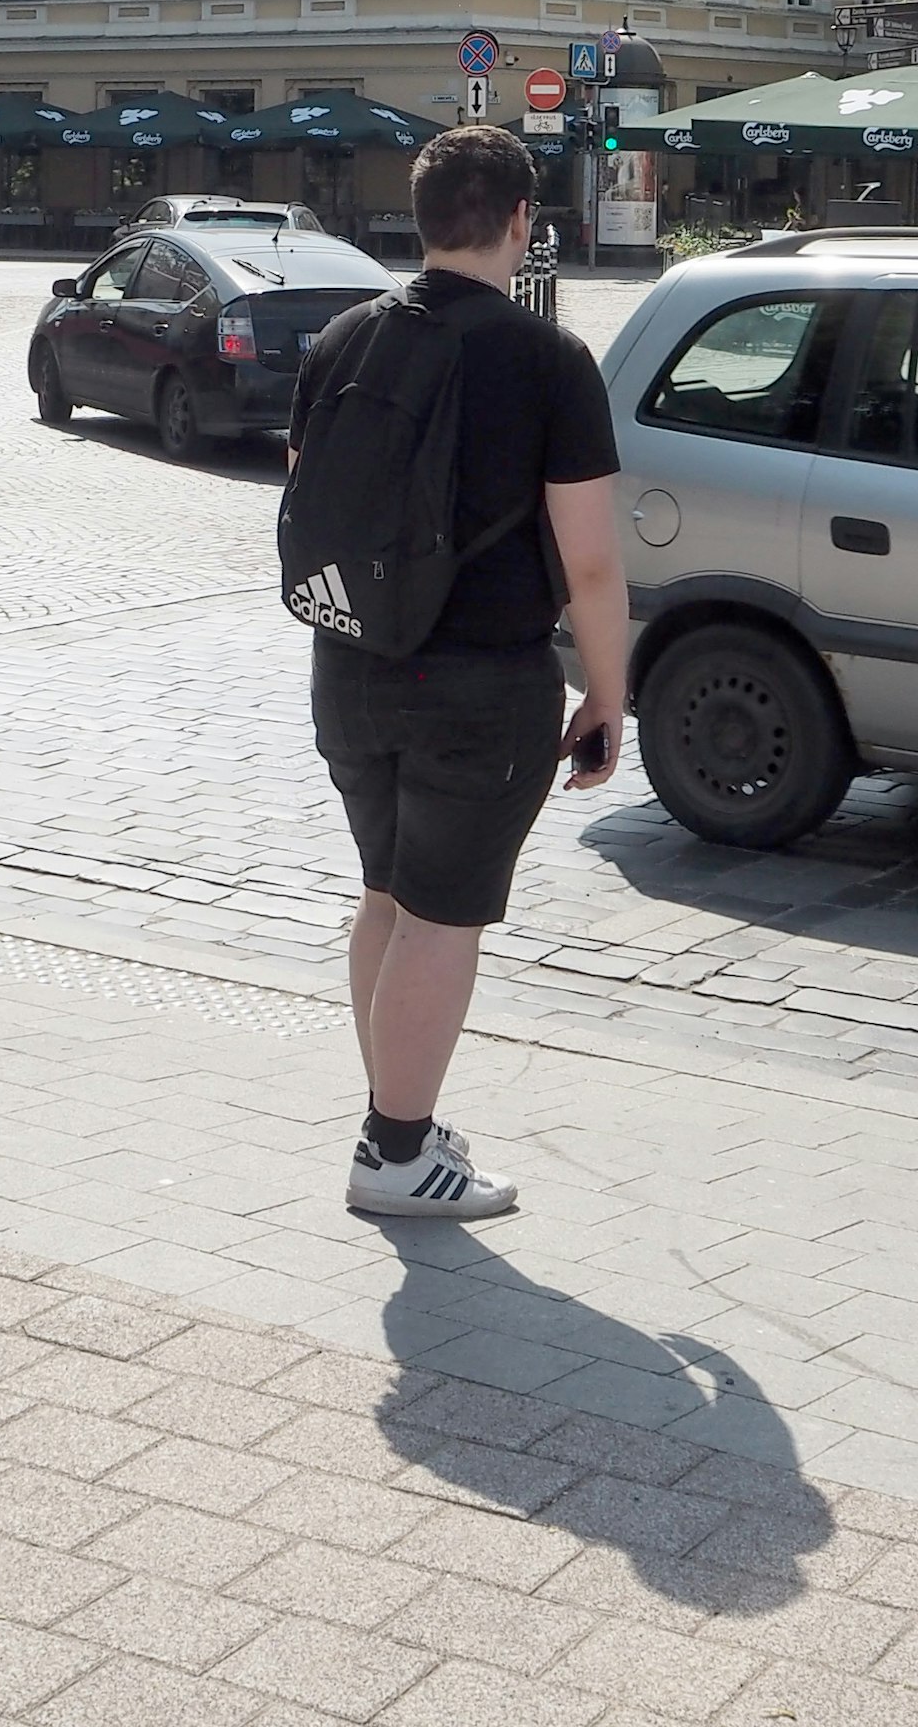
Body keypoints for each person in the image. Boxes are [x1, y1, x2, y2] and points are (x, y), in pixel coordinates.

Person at [290, 125, 629, 1220]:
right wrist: (609, 697)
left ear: (424, 216)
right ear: (523, 223)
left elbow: (316, 502)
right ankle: (395, 1153)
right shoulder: (549, 361)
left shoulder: (344, 338)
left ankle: (398, 1116)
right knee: (443, 918)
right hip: (479, 688)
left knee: (387, 895)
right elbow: (589, 557)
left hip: (348, 663)